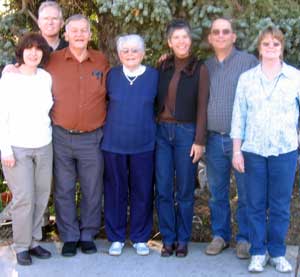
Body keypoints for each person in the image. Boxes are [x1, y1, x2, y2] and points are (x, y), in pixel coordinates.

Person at [231, 26, 299, 273]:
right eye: (266, 44)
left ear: (282, 48)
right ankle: (258, 252)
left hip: (285, 151)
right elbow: (238, 117)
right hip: (254, 151)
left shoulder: (295, 78)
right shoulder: (247, 79)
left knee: (280, 205)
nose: (271, 48)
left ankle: (278, 252)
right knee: (255, 204)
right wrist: (237, 151)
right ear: (259, 48)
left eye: (276, 44)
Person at [45, 14, 109, 257]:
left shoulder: (101, 61)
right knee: (63, 188)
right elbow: (28, 68)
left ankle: (87, 234)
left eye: (84, 30)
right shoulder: (52, 61)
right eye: (75, 31)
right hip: (61, 135)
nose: (80, 34)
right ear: (66, 34)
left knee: (92, 188)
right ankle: (69, 236)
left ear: (90, 35)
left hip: (92, 137)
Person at [204, 17, 258, 258]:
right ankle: (220, 235)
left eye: (226, 31)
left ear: (234, 36)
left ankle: (245, 239)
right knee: (217, 192)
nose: (221, 35)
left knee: (246, 192)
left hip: (243, 141)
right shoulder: (206, 66)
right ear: (210, 38)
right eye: (216, 32)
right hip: (214, 140)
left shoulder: (248, 62)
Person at [155, 19, 209, 257]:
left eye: (184, 37)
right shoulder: (163, 66)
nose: (181, 41)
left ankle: (183, 239)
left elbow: (202, 108)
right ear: (169, 42)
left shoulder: (200, 68)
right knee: (164, 188)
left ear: (191, 40)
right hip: (161, 134)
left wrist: (199, 140)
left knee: (185, 190)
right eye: (176, 37)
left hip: (187, 133)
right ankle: (168, 239)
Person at [101, 34, 158, 256]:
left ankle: (140, 237)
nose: (130, 54)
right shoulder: (111, 76)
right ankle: (115, 237)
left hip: (144, 144)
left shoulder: (154, 76)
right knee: (115, 191)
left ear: (143, 53)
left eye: (135, 50)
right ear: (119, 54)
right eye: (125, 51)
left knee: (142, 191)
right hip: (114, 144)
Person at [0, 33, 53, 265]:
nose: (33, 53)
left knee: (41, 197)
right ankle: (21, 246)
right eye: (29, 48)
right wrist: (5, 150)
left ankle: (33, 241)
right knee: (24, 198)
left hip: (44, 144)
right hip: (17, 148)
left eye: (38, 49)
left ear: (43, 53)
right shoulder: (9, 79)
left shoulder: (45, 77)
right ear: (21, 52)